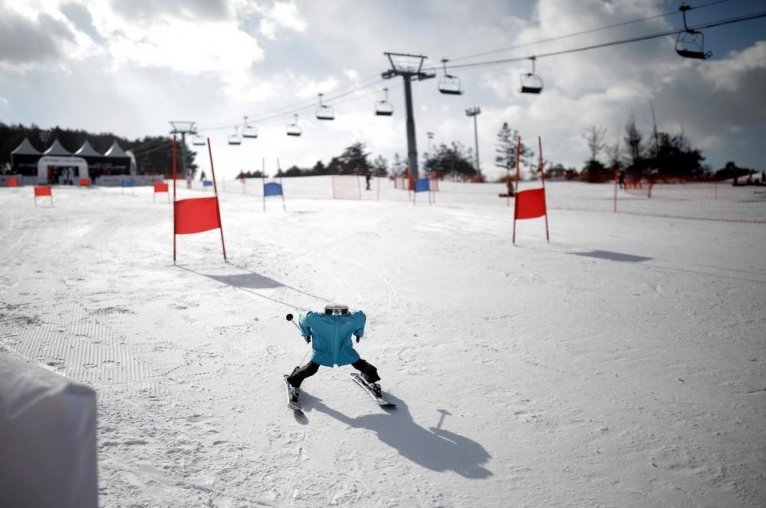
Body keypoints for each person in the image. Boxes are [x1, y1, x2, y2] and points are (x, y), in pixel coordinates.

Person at [285, 304, 381, 403]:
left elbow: (303, 318)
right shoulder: (349, 319)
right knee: (312, 369)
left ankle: (371, 381)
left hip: (343, 349)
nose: (336, 315)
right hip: (324, 350)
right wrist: (306, 333)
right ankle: (293, 382)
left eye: (339, 312)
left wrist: (358, 332)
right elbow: (303, 317)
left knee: (360, 364)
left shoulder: (318, 319)